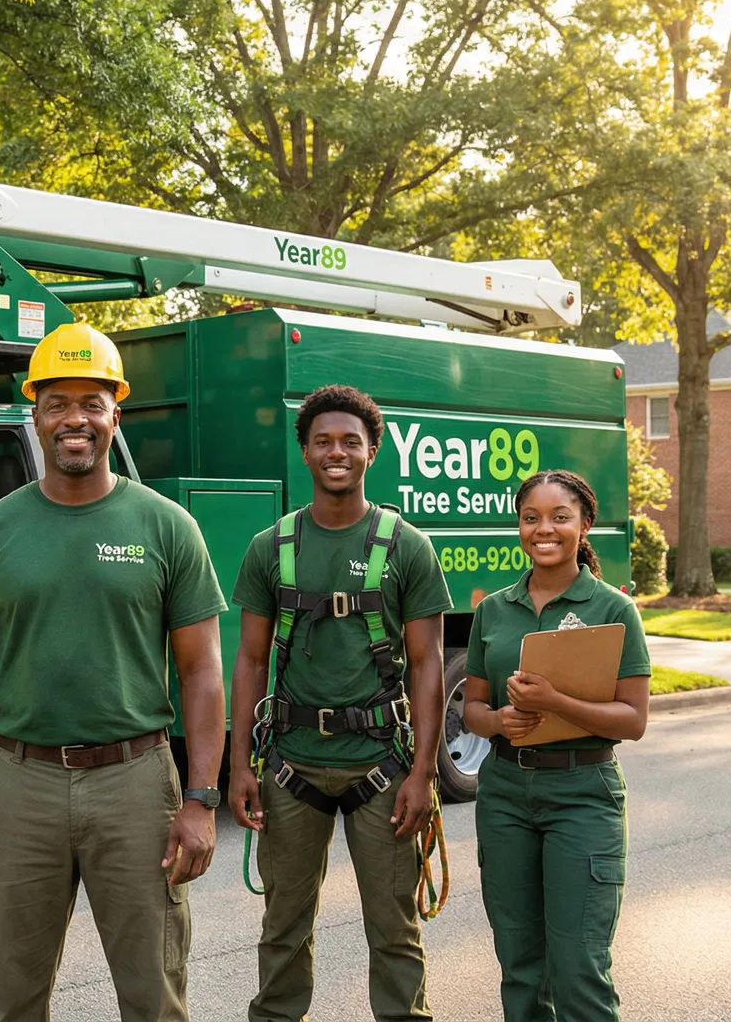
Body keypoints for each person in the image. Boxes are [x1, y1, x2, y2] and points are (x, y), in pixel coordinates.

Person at [0, 322, 229, 1022]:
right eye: (58, 402)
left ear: (114, 413)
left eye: (91, 403)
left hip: (135, 782)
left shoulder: (166, 526)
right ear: (34, 413)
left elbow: (203, 673)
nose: (75, 419)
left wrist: (200, 798)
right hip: (20, 785)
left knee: (153, 991)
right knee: (11, 992)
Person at [227, 384, 452, 1022]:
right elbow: (249, 660)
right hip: (292, 766)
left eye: (351, 442)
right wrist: (240, 766)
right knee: (282, 928)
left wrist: (422, 771)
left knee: (395, 929)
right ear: (304, 451)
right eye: (323, 441)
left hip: (382, 766)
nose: (337, 453)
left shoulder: (407, 546)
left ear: (372, 451)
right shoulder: (270, 548)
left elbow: (429, 663)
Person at [460, 469, 650, 1022]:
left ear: (584, 525)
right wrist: (497, 720)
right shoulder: (493, 610)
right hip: (505, 795)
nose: (544, 529)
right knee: (519, 963)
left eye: (560, 517)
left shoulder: (614, 609)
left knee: (579, 965)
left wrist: (555, 702)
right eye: (531, 518)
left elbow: (633, 720)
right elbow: (470, 709)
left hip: (583, 793)